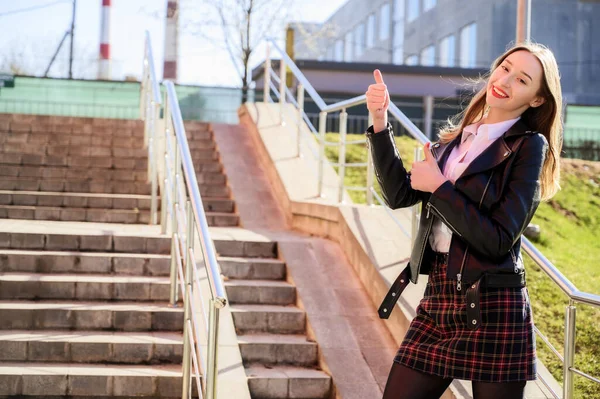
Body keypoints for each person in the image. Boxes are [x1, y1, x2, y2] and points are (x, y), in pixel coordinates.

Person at [364, 42, 563, 399]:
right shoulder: (455, 141)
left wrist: (440, 187)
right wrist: (380, 122)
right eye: (505, 68)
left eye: (522, 79)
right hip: (439, 295)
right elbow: (399, 195)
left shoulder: (529, 146)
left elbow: (498, 239)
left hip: (493, 303)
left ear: (536, 100)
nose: (505, 80)